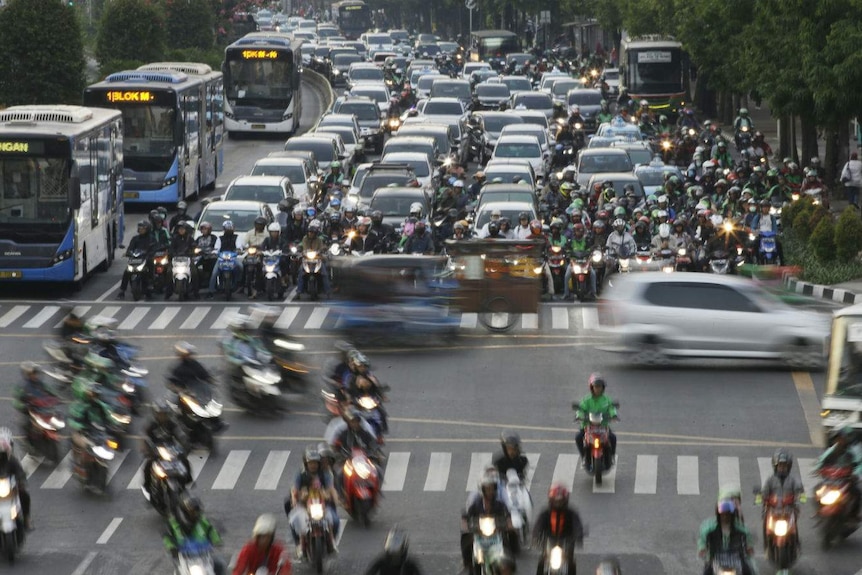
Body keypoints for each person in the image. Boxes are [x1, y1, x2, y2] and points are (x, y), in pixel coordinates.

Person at [287, 448, 339, 556]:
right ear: (306, 463)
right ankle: (300, 545)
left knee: (334, 520)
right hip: (304, 505)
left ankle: (332, 541)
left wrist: (334, 498)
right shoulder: (300, 475)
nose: (313, 465)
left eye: (315, 463)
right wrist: (295, 500)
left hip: (322, 504)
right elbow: (294, 490)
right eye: (311, 463)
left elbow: (331, 489)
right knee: (297, 520)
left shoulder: (325, 474)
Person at [142, 399, 192, 500]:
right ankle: (147, 486)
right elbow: (144, 439)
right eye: (160, 414)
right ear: (156, 414)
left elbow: (180, 436)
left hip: (171, 450)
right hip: (156, 451)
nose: (162, 416)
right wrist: (146, 450)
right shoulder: (151, 426)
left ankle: (187, 480)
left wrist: (185, 447)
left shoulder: (171, 424)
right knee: (148, 465)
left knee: (185, 461)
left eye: (164, 414)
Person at [461, 475, 514, 571]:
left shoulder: (499, 505)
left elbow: (507, 515)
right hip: (479, 534)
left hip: (496, 534)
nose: (490, 492)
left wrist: (509, 524)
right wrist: (465, 524)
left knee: (508, 546)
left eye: (492, 489)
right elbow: (466, 515)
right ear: (482, 490)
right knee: (466, 539)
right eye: (487, 489)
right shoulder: (476, 504)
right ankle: (467, 562)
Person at [163, 495, 226, 575]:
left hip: (203, 557)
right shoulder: (174, 523)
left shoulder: (202, 521)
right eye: (193, 512)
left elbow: (211, 530)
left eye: (197, 512)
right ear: (185, 512)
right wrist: (172, 547)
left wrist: (216, 540)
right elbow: (167, 536)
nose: (195, 514)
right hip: (184, 558)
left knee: (220, 565)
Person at [531, 484, 584, 575]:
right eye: (556, 501)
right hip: (549, 540)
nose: (558, 504)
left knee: (570, 562)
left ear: (565, 501)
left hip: (567, 541)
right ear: (551, 500)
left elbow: (577, 525)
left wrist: (578, 535)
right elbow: (538, 525)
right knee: (542, 561)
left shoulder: (571, 513)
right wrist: (536, 536)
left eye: (560, 501)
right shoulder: (546, 513)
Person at [756, 449, 804, 545]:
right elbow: (764, 492)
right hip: (773, 508)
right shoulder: (770, 480)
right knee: (765, 518)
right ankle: (767, 542)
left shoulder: (793, 480)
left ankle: (796, 540)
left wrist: (799, 498)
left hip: (788, 508)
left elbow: (800, 492)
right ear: (776, 466)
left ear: (788, 467)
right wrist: (760, 498)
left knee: (793, 520)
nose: (782, 468)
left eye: (784, 466)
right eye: (780, 466)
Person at [697, 499, 755, 575]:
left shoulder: (741, 529)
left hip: (736, 558)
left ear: (732, 515)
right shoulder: (709, 528)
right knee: (706, 572)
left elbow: (748, 538)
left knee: (750, 571)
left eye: (728, 514)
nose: (725, 516)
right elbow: (702, 539)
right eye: (723, 514)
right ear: (718, 515)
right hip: (715, 559)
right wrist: (702, 548)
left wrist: (749, 547)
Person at [815, 426, 862, 518]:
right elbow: (822, 460)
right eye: (839, 438)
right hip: (832, 479)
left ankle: (853, 515)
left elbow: (859, 464)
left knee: (857, 493)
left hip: (847, 480)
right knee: (817, 491)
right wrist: (817, 468)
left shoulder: (853, 452)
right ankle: (819, 511)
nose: (840, 441)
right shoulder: (833, 449)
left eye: (843, 439)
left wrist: (855, 474)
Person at [573, 373, 618, 468]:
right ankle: (584, 457)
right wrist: (579, 416)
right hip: (588, 426)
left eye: (600, 387)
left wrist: (613, 415)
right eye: (596, 387)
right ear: (591, 387)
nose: (598, 389)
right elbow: (580, 409)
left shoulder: (606, 400)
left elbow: (611, 408)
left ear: (603, 388)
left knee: (613, 438)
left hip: (603, 426)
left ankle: (612, 456)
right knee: (578, 437)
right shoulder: (586, 400)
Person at [0, 428, 31, 530]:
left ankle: (27, 520)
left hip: (9, 490)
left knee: (24, 495)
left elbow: (20, 472)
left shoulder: (12, 460)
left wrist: (21, 480)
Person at [118, 220, 155, 299]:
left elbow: (154, 248)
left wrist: (150, 253)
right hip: (135, 259)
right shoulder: (135, 238)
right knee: (127, 272)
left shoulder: (151, 238)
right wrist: (128, 253)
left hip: (145, 259)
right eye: (140, 228)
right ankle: (122, 291)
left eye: (143, 228)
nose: (141, 230)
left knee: (150, 266)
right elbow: (130, 248)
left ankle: (150, 284)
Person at [207, 220, 244, 298]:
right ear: (223, 229)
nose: (228, 230)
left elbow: (239, 247)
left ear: (233, 229)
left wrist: (239, 250)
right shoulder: (220, 238)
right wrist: (214, 252)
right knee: (214, 273)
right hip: (221, 259)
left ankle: (240, 284)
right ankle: (211, 290)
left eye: (230, 228)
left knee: (241, 267)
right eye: (227, 229)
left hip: (233, 258)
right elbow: (216, 248)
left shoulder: (237, 237)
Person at [296, 221, 331, 297]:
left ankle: (327, 291)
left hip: (317, 259)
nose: (311, 234)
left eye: (312, 233)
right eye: (310, 232)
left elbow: (321, 248)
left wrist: (321, 251)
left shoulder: (319, 240)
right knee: (300, 272)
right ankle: (299, 291)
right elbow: (303, 247)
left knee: (324, 273)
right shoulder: (305, 239)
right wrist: (301, 252)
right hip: (307, 260)